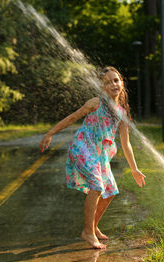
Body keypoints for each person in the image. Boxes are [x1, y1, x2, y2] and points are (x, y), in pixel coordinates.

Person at [40, 66, 146, 250]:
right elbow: (72, 118)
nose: (113, 84)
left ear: (121, 83)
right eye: (108, 82)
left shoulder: (122, 113)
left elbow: (126, 143)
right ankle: (88, 232)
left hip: (100, 155)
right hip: (83, 148)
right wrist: (50, 133)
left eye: (116, 80)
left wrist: (135, 169)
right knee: (97, 186)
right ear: (102, 87)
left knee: (111, 191)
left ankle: (92, 227)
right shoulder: (96, 103)